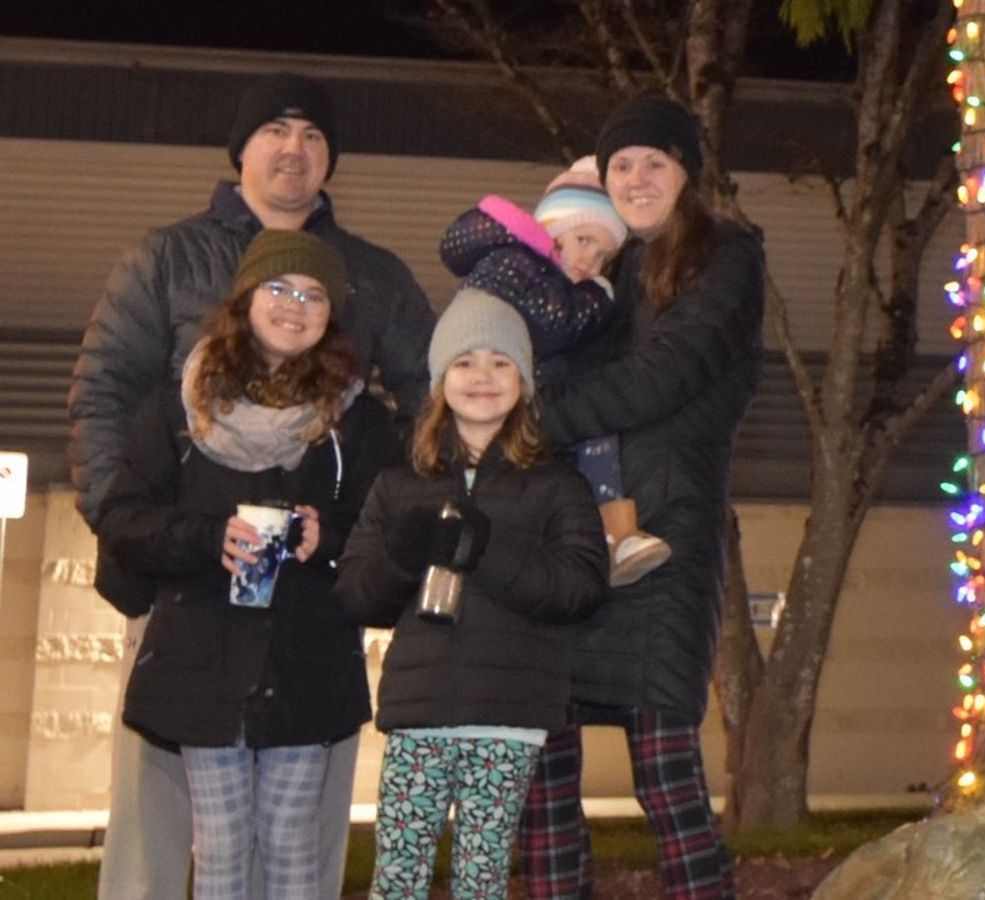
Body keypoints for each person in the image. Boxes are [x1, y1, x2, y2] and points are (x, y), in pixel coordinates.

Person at [67, 72, 435, 900]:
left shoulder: (374, 275)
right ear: (241, 148)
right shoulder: (166, 258)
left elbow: (429, 413)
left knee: (299, 834)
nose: (293, 148)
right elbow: (103, 396)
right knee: (159, 823)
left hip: (310, 615)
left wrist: (365, 550)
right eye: (275, 129)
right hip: (182, 599)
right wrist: (140, 549)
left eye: (313, 134)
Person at [94, 229, 398, 900]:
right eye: (279, 288)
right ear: (245, 299)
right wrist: (211, 538)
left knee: (291, 840)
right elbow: (123, 518)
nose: (294, 306)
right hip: (202, 661)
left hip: (305, 661)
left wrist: (329, 537)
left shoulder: (360, 421)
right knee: (222, 844)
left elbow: (388, 528)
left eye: (313, 295)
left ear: (332, 315)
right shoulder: (177, 409)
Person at [518, 94, 766, 899]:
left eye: (654, 161)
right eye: (620, 165)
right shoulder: (600, 267)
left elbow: (663, 376)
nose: (636, 178)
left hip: (665, 532)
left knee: (664, 772)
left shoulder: (724, 256)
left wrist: (531, 423)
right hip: (571, 533)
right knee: (545, 774)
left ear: (686, 171)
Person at [334, 289, 609, 899]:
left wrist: (486, 550)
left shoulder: (557, 485)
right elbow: (356, 596)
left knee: (480, 880)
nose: (482, 376)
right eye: (464, 362)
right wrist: (401, 556)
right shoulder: (399, 485)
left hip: (508, 716)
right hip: (421, 713)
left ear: (524, 383)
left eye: (500, 362)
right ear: (440, 382)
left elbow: (581, 586)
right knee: (398, 877)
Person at [438, 155, 670, 586]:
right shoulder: (513, 262)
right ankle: (611, 534)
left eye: (602, 256)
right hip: (507, 405)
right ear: (550, 229)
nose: (590, 261)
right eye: (583, 240)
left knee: (595, 436)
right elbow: (553, 326)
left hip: (534, 402)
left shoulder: (539, 273)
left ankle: (613, 534)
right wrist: (600, 296)